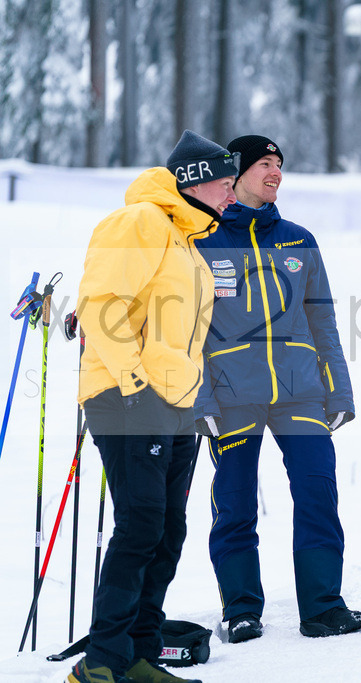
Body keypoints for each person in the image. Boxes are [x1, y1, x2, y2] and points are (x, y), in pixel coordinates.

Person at [71, 130, 237, 683]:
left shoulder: (187, 241)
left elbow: (185, 336)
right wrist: (135, 383)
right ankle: (101, 663)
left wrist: (192, 397)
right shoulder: (140, 221)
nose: (232, 195)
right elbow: (101, 305)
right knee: (140, 525)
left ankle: (140, 653)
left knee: (166, 530)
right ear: (194, 180)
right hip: (127, 397)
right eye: (226, 183)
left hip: (175, 405)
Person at [192, 134, 361, 641]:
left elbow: (323, 323)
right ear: (236, 173)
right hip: (230, 398)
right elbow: (189, 331)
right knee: (236, 502)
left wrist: (341, 391)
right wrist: (200, 399)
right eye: (265, 164)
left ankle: (322, 607)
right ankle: (241, 610)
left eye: (280, 165)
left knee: (317, 495)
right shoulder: (202, 241)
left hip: (301, 392)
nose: (276, 174)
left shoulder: (298, 240)